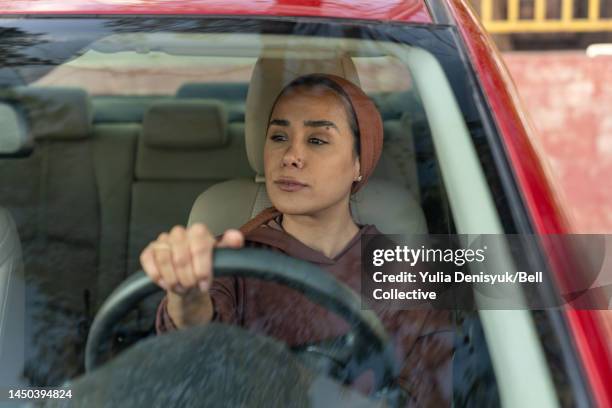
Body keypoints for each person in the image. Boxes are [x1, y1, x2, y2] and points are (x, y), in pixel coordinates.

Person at [140, 73, 452, 406]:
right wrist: (186, 293)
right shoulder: (230, 257)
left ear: (359, 163)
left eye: (317, 140)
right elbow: (194, 342)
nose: (290, 156)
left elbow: (431, 388)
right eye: (278, 136)